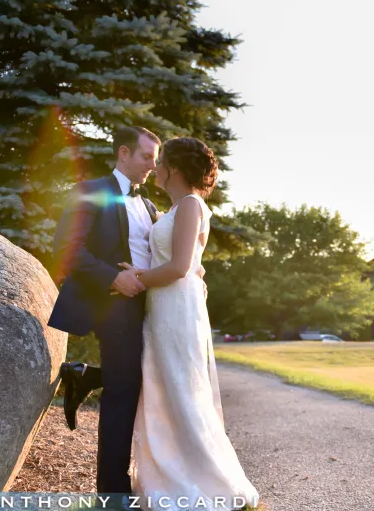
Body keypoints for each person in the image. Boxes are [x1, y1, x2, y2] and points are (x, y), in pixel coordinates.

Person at [123, 137, 259, 510]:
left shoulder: (189, 205)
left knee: (181, 389)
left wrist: (136, 277)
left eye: (160, 160)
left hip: (173, 306)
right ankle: (167, 472)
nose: (155, 168)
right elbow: (195, 266)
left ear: (175, 169)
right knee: (165, 386)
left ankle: (201, 479)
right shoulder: (180, 207)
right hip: (169, 304)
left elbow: (180, 267)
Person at [48, 126, 162, 498]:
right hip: (112, 305)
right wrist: (114, 279)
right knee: (123, 394)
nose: (152, 166)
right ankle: (113, 493)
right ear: (124, 153)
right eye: (147, 157)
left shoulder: (148, 205)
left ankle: (83, 376)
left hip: (151, 309)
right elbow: (67, 248)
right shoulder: (91, 191)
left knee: (138, 380)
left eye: (156, 160)